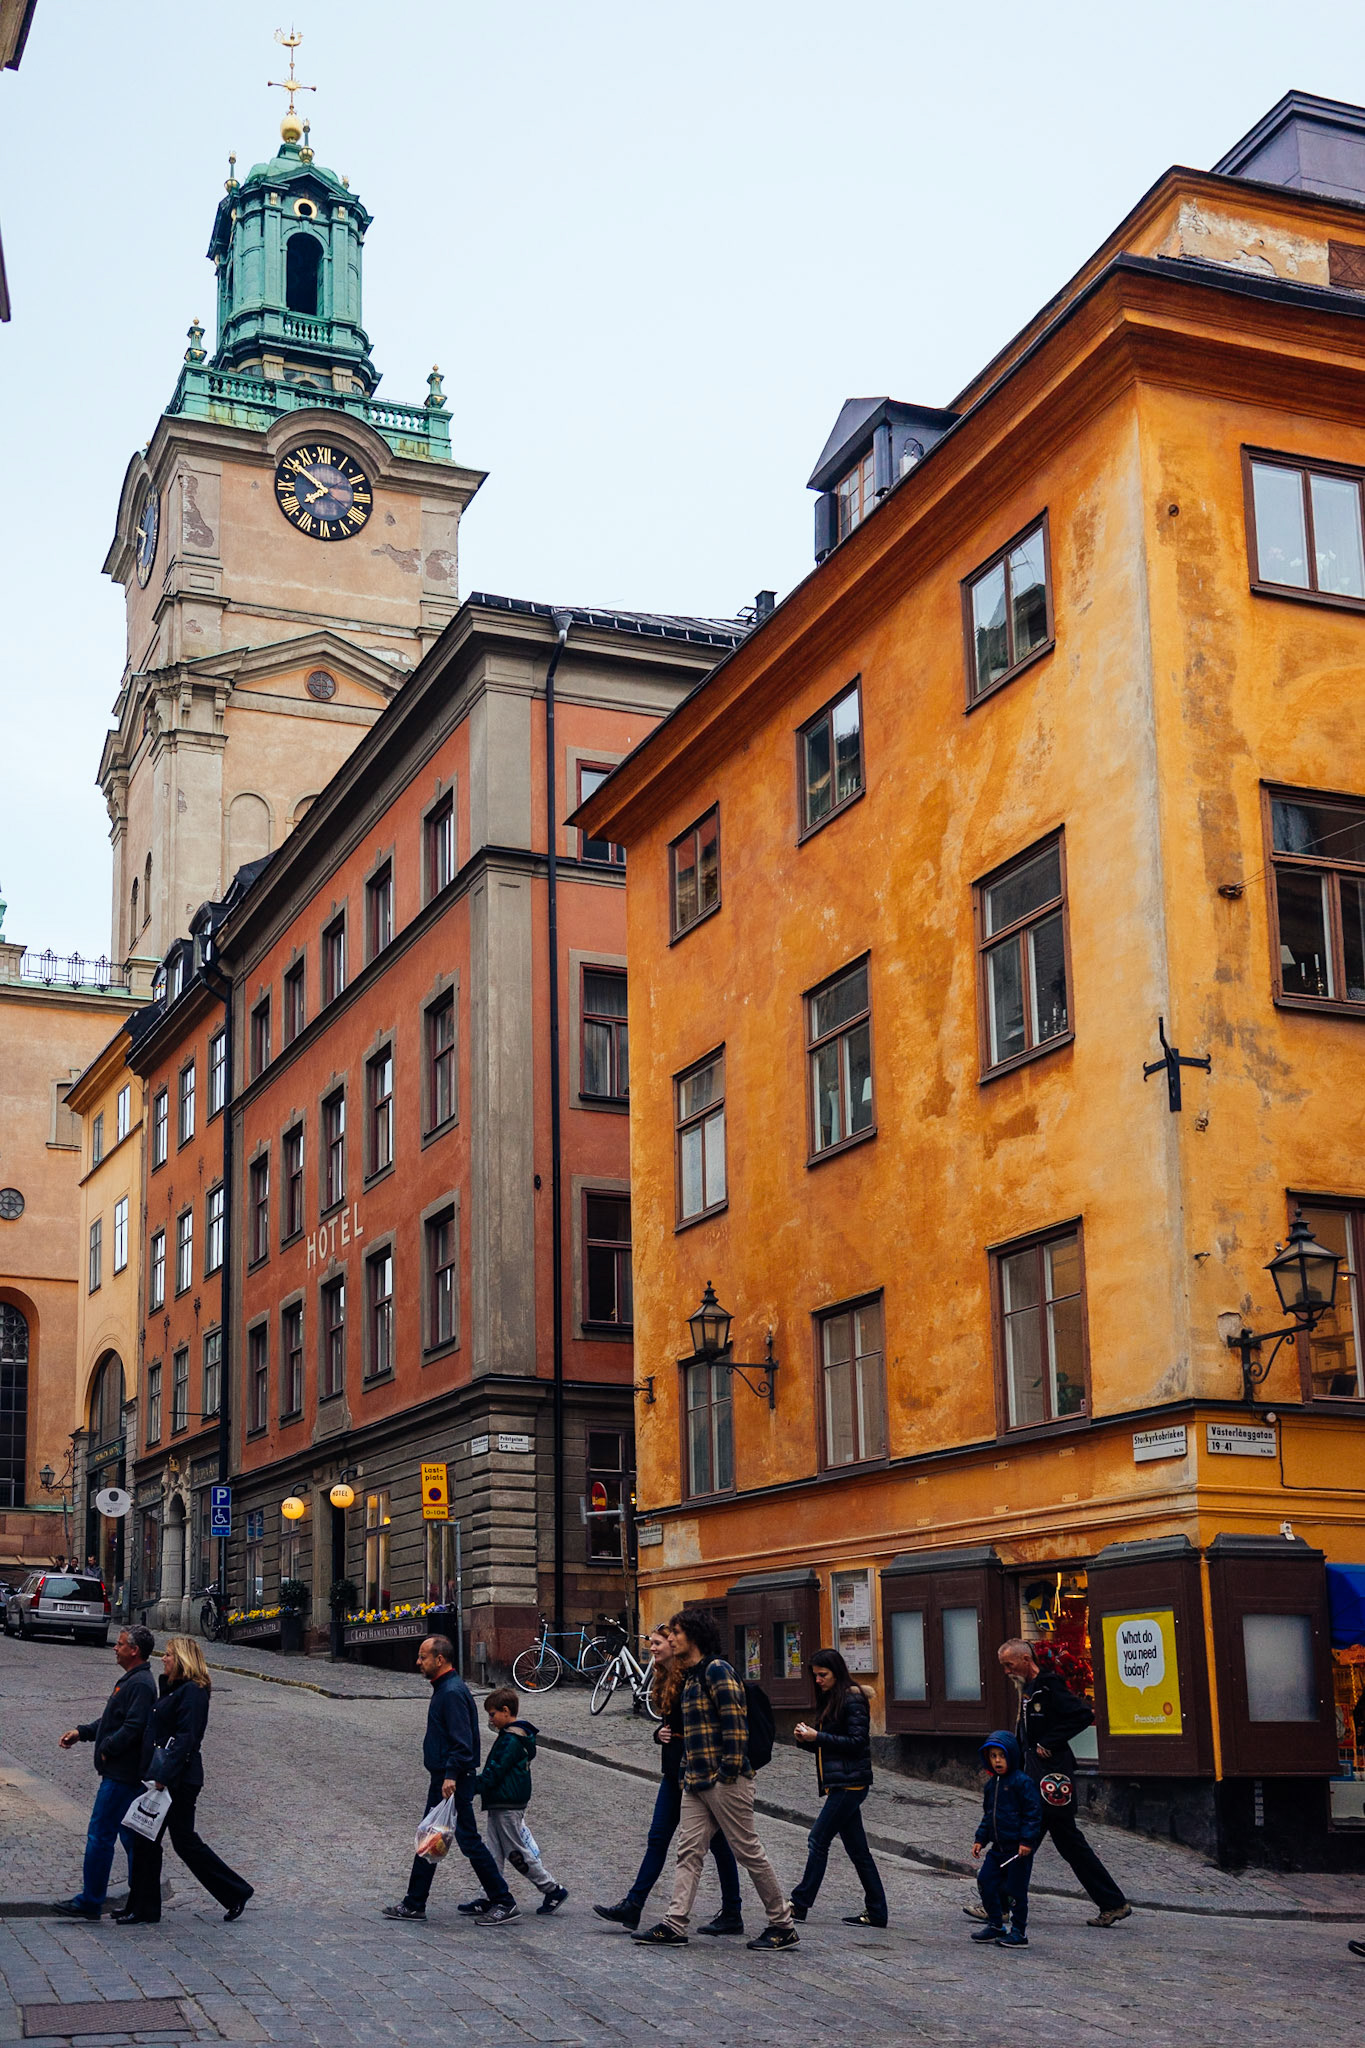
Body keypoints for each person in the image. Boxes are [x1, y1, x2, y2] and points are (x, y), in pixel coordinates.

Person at [633, 1610, 797, 1952]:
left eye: (676, 1633)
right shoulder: (691, 1677)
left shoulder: (716, 1671)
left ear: (693, 1636)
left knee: (748, 1851)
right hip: (695, 1781)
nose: (670, 1638)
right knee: (688, 1852)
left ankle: (782, 1924)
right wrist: (688, 1775)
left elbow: (736, 1726)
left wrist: (726, 1775)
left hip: (724, 1781)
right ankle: (674, 1924)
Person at [594, 1626, 744, 1935]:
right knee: (660, 1838)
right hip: (673, 1771)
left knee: (723, 1845)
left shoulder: (690, 1676)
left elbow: (699, 1725)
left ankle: (733, 1912)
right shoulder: (662, 1677)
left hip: (694, 1772)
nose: (653, 1647)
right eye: (651, 1642)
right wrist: (659, 1733)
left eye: (659, 1642)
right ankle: (634, 1905)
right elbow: (671, 1725)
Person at [382, 1634, 517, 1925]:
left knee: (465, 1841)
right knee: (432, 1837)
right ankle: (415, 1902)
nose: (418, 1662)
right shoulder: (446, 1688)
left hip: (452, 1781)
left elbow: (462, 1741)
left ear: (439, 1659)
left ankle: (503, 1900)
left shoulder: (452, 1692)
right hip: (447, 1778)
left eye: (423, 1657)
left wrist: (451, 1775)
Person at [995, 1638, 1131, 1928]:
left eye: (1009, 1665)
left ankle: (999, 1904)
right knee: (1070, 1845)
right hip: (1039, 1777)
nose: (1006, 1672)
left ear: (1025, 1660)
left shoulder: (1049, 1685)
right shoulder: (1029, 1690)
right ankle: (1113, 1902)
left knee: (1024, 1838)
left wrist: (1050, 1741)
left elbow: (1083, 1715)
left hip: (1051, 1780)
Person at [119, 1636, 252, 1925]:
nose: (163, 1659)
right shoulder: (175, 1689)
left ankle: (146, 1907)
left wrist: (163, 1778)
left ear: (181, 1659)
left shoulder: (193, 1692)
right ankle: (142, 1906)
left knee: (174, 1841)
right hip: (167, 1776)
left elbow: (185, 1738)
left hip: (179, 1779)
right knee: (153, 1840)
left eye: (168, 1655)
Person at [52, 1625, 158, 1919]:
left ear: (134, 1651)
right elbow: (111, 1721)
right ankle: (141, 1898)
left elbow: (132, 1727)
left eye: (121, 1644)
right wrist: (82, 1732)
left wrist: (107, 1748)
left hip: (121, 1776)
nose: (115, 1647)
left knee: (100, 1835)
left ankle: (91, 1900)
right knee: (130, 1838)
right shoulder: (133, 1681)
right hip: (124, 1774)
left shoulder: (139, 1684)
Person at [790, 1648, 887, 1927]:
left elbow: (857, 1742)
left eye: (823, 1675)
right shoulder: (833, 1698)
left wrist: (817, 1735)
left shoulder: (853, 1698)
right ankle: (877, 1912)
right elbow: (831, 1748)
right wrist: (807, 1739)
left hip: (851, 1784)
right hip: (842, 1782)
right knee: (858, 1851)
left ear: (837, 1672)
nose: (818, 1680)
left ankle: (799, 1904)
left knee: (818, 1839)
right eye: (815, 1675)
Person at [464, 1687, 567, 1917]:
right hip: (501, 1803)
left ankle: (552, 1889)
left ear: (506, 1711)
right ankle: (490, 1894)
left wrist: (471, 1786)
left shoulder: (511, 1739)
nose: (490, 1720)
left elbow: (495, 1772)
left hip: (507, 1804)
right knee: (493, 1852)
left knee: (515, 1853)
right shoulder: (511, 1735)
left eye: (492, 1714)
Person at [970, 1730, 1042, 1948]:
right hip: (997, 1848)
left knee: (1015, 1890)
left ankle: (1019, 1932)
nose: (997, 1761)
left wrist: (1027, 1841)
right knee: (985, 1880)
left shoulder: (1023, 1782)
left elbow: (1033, 1813)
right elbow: (988, 1815)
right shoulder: (992, 1785)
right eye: (993, 1756)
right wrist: (980, 1839)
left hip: (1017, 1850)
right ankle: (995, 1924)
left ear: (1011, 1755)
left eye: (1001, 1756)